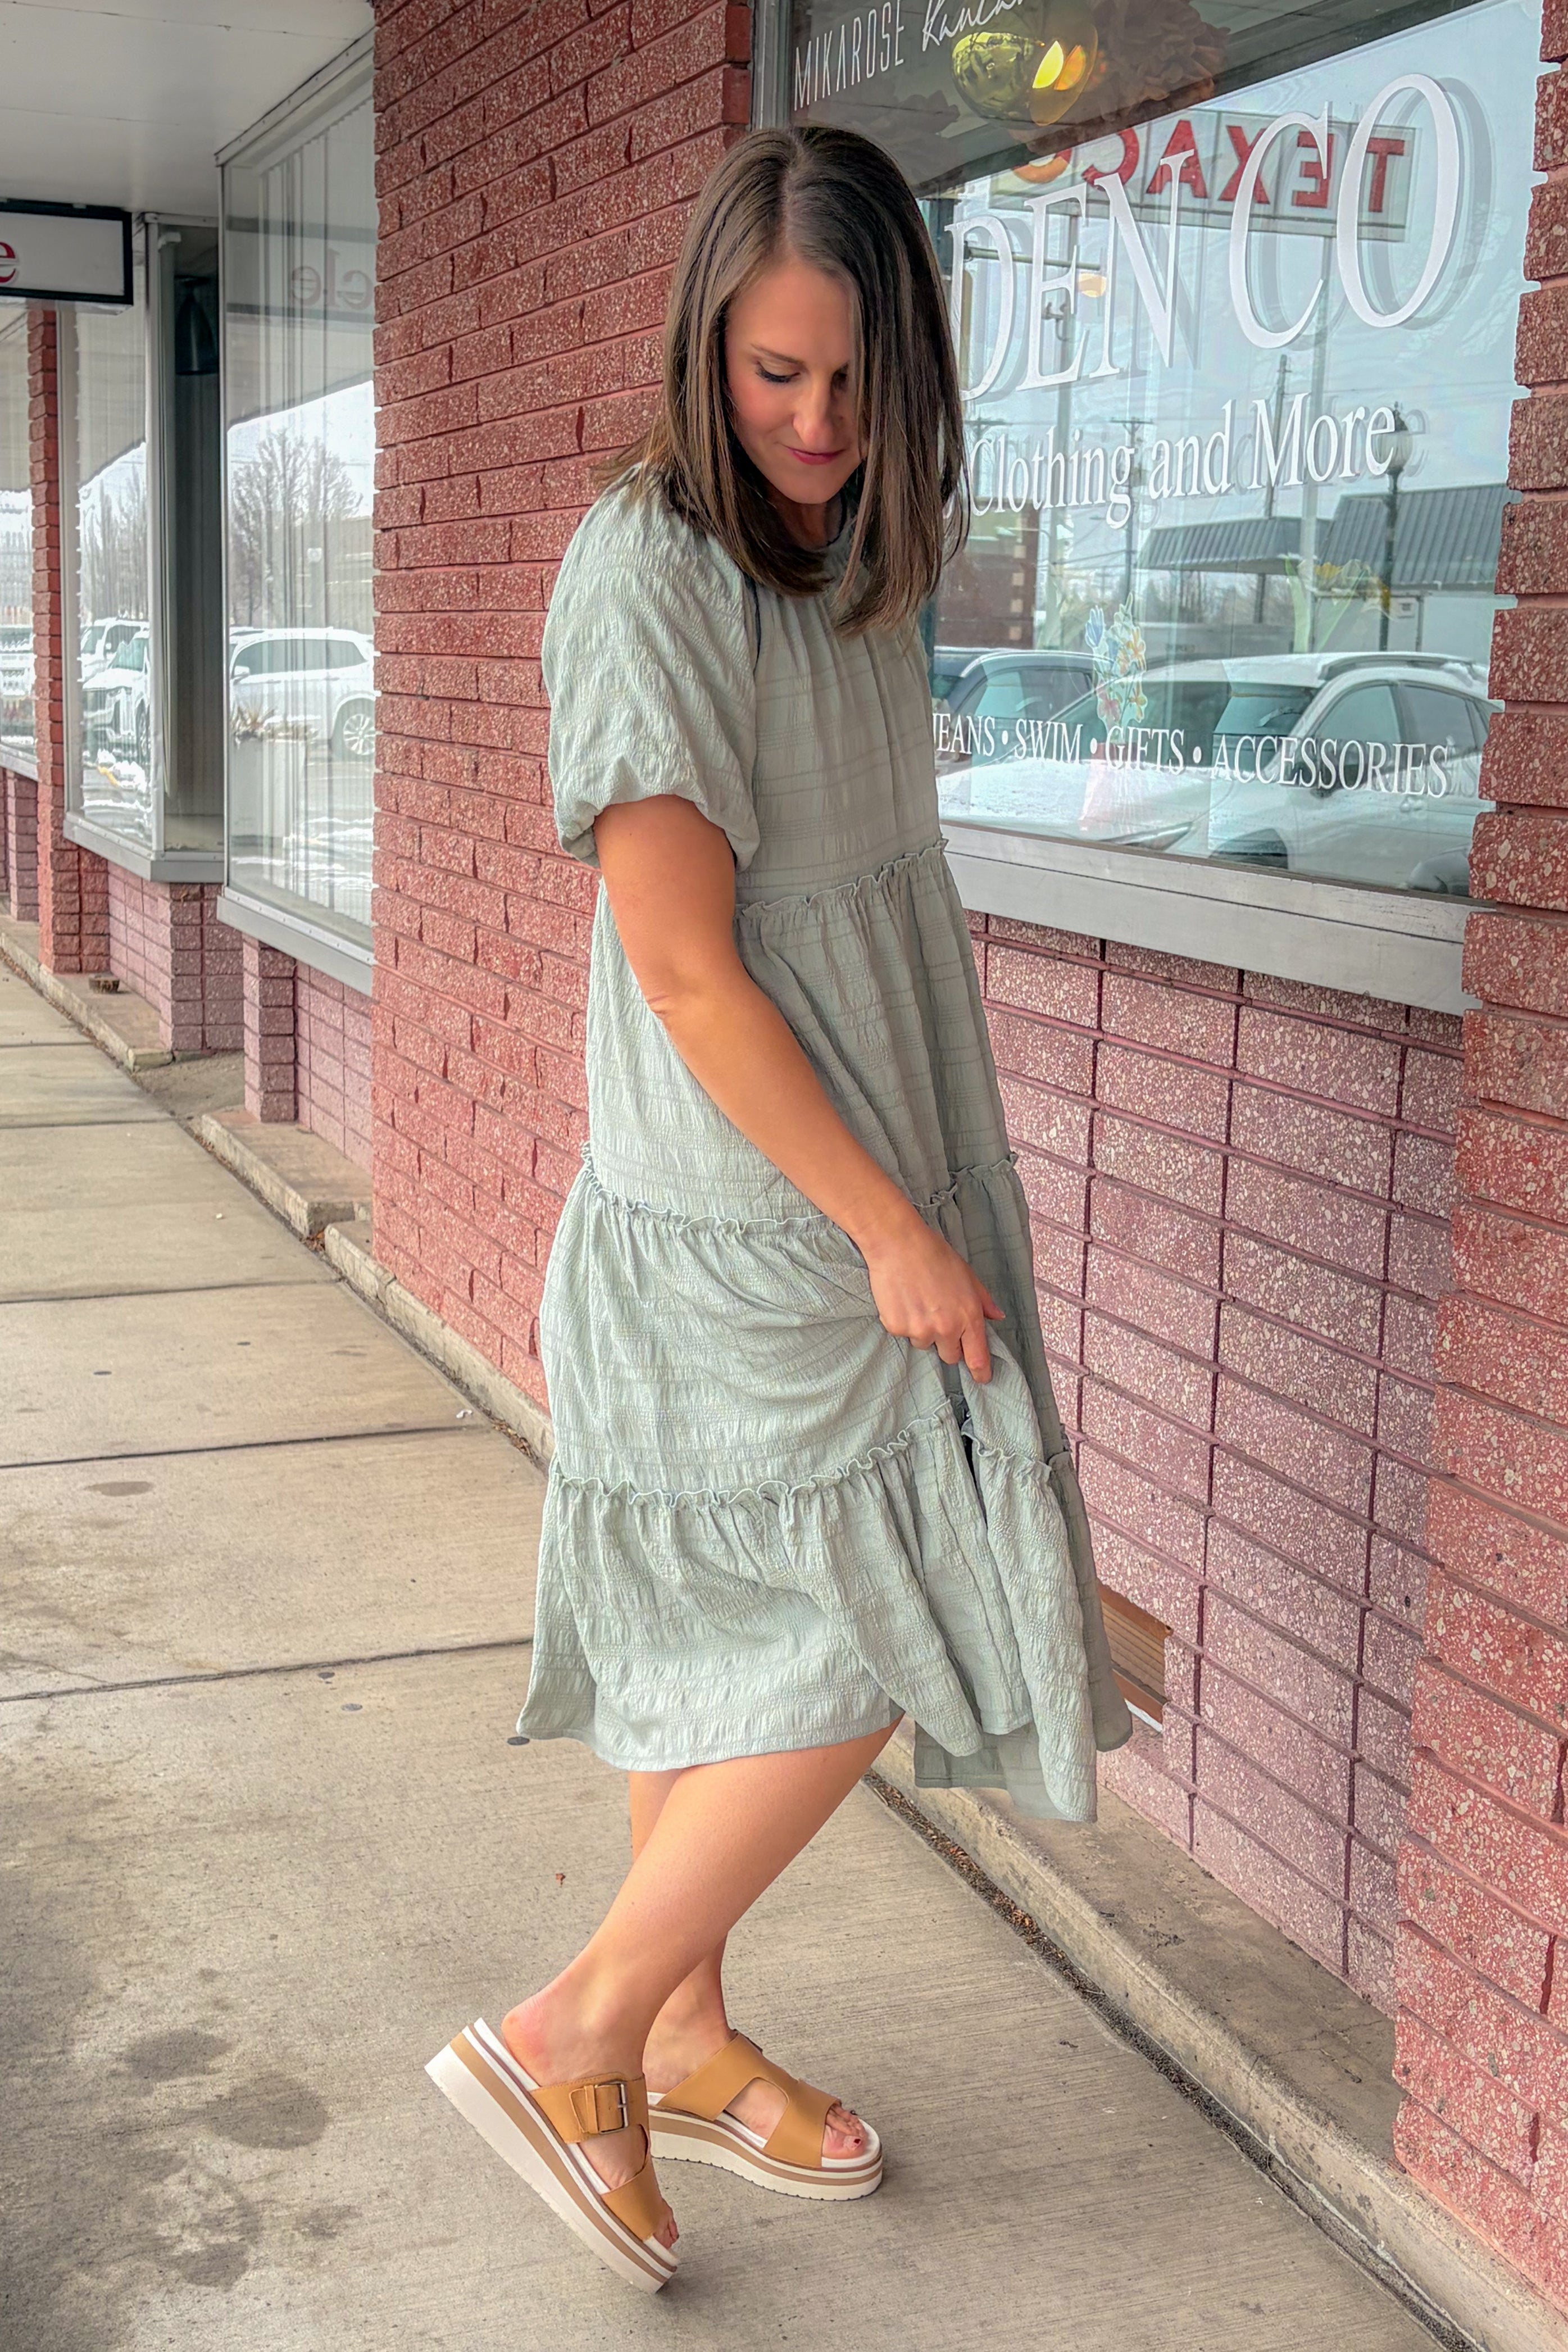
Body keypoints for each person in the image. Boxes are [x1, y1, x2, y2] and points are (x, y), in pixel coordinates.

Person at [426, 122, 1130, 2293]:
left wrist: (914, 1195)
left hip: (852, 1172)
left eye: (852, 380)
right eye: (773, 376)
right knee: (886, 1613)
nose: (815, 423)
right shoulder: (644, 572)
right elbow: (686, 969)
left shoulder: (858, 557)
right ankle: (580, 2027)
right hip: (759, 1215)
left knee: (726, 1656)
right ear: (703, 353)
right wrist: (889, 1228)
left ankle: (682, 2040)